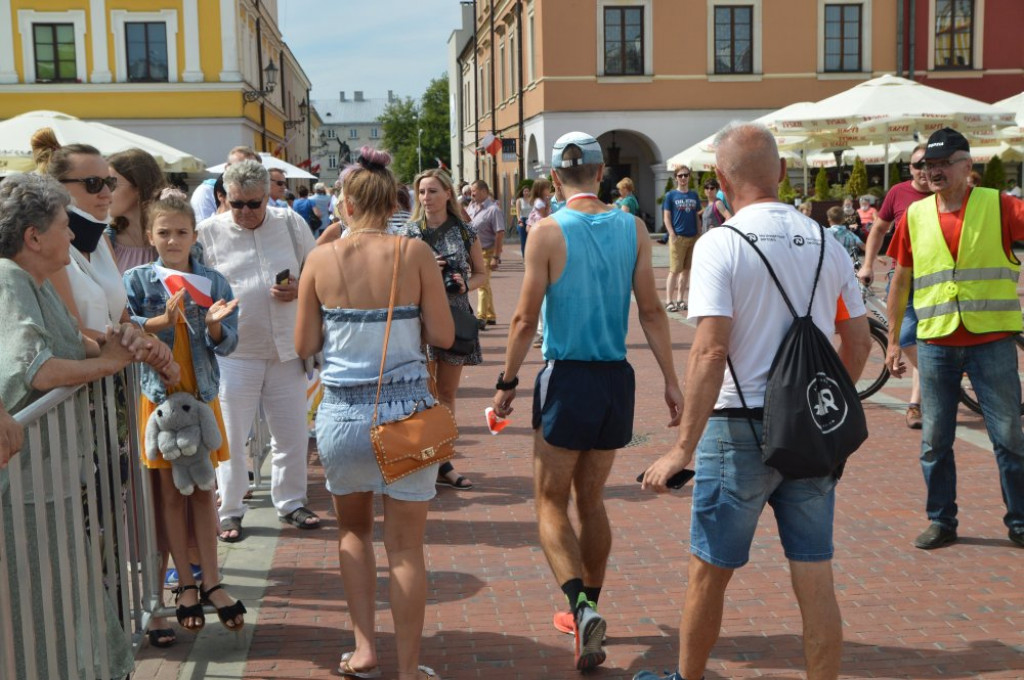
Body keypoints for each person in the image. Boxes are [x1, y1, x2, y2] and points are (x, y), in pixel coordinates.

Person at [634, 121, 870, 680]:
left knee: (710, 572)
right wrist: (825, 405)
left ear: (719, 180)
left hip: (736, 426)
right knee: (815, 573)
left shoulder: (721, 243)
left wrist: (680, 450)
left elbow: (711, 352)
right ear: (783, 173)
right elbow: (857, 340)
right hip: (809, 433)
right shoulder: (824, 241)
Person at [491, 131, 682, 671]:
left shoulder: (546, 232)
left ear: (555, 179)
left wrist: (507, 383)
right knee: (591, 500)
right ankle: (591, 608)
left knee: (550, 501)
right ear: (600, 173)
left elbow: (526, 318)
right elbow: (651, 310)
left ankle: (577, 607)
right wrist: (672, 379)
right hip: (615, 378)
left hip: (567, 378)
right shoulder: (634, 226)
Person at [295, 147, 452, 680]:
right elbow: (446, 336)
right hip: (407, 409)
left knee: (353, 532)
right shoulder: (415, 254)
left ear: (346, 202)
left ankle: (365, 649)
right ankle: (408, 670)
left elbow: (304, 343)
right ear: (394, 201)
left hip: (341, 412)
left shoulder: (322, 259)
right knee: (407, 547)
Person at [0, 172, 145, 679]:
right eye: (64, 225)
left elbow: (65, 343)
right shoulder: (10, 279)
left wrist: (110, 347)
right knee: (38, 610)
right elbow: (35, 367)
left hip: (45, 481)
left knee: (63, 598)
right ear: (33, 237)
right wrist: (104, 366)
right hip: (23, 487)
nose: (71, 235)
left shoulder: (30, 281)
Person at [884, 127, 1024, 551]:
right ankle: (941, 520)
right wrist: (892, 340)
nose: (935, 171)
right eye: (929, 165)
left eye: (945, 163)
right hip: (935, 342)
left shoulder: (998, 205)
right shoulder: (914, 215)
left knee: (1009, 437)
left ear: (968, 167)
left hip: (992, 340)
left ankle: (1019, 521)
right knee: (934, 441)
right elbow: (901, 281)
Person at [123, 189, 246, 638]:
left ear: (195, 234)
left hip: (203, 393)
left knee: (203, 488)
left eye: (181, 232)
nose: (173, 240)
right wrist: (159, 322)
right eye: (163, 232)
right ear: (150, 235)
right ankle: (187, 585)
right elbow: (126, 330)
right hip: (158, 400)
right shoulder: (138, 280)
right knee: (171, 494)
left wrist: (212, 322)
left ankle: (211, 579)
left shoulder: (213, 280)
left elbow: (228, 340)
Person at [197, 160, 322, 542]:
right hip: (234, 352)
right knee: (231, 437)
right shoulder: (207, 233)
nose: (247, 212)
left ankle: (291, 502)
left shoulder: (289, 223)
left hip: (286, 347)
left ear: (268, 196)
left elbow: (315, 271)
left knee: (292, 434)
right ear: (224, 197)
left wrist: (300, 287)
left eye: (255, 203)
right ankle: (231, 509)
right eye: (238, 204)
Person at [30, 129, 177, 380]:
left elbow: (121, 319)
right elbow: (73, 332)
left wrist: (148, 342)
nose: (107, 194)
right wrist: (142, 348)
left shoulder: (100, 241)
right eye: (92, 184)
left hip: (112, 382)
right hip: (77, 390)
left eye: (109, 183)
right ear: (57, 188)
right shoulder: (48, 248)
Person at [400, 170, 486, 491]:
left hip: (455, 318)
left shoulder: (465, 231)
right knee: (423, 392)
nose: (426, 198)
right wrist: (422, 273)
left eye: (433, 191)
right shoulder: (410, 233)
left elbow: (481, 274)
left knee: (447, 393)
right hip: (419, 321)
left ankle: (442, 460)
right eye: (421, 192)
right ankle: (432, 460)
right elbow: (398, 281)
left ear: (448, 194)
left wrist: (465, 285)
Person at [857, 144, 931, 429]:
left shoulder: (943, 193)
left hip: (939, 280)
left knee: (926, 341)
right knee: (908, 335)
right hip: (903, 277)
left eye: (929, 164)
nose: (924, 170)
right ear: (909, 169)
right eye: (917, 165)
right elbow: (878, 228)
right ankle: (937, 375)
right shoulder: (898, 193)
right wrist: (867, 264)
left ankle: (915, 405)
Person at [107, 147, 167, 272]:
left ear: (139, 187)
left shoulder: (175, 237)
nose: (104, 193)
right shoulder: (104, 240)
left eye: (111, 185)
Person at [662, 165, 701, 312]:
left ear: (689, 177)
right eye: (680, 175)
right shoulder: (670, 196)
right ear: (676, 178)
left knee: (686, 270)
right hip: (678, 237)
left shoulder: (694, 195)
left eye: (686, 175)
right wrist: (671, 233)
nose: (683, 178)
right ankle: (668, 300)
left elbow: (697, 216)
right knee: (674, 270)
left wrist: (698, 233)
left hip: (692, 237)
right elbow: (666, 216)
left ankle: (680, 299)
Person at [467, 180, 505, 328]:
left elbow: (500, 233)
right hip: (474, 252)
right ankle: (491, 315)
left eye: (474, 191)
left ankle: (481, 316)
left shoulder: (493, 210)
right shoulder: (472, 206)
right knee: (485, 284)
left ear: (484, 191)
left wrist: (496, 256)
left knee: (481, 283)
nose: (472, 194)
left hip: (487, 251)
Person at [192, 146, 260, 222]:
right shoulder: (206, 191)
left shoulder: (259, 192)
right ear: (227, 167)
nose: (245, 172)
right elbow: (202, 228)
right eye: (239, 167)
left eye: (252, 168)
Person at [514, 185, 531, 256]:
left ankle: (531, 256)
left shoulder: (532, 200)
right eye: (525, 191)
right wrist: (519, 221)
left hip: (530, 221)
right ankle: (525, 257)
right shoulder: (519, 200)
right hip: (523, 220)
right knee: (523, 240)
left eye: (527, 191)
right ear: (522, 192)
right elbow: (518, 212)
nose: (526, 192)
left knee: (531, 240)